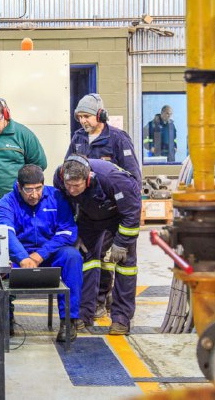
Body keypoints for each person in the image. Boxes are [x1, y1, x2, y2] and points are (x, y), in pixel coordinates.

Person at [67, 93, 141, 320]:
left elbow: (133, 179)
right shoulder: (78, 138)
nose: (83, 121)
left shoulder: (117, 139)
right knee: (92, 257)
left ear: (100, 115)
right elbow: (69, 169)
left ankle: (112, 303)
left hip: (116, 209)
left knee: (116, 257)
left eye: (87, 116)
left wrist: (130, 208)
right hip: (90, 211)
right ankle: (98, 301)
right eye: (79, 117)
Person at [53, 155, 141, 335]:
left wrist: (121, 243)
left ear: (88, 179)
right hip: (89, 217)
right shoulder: (59, 177)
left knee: (125, 266)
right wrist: (74, 233)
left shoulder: (114, 180)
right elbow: (65, 207)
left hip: (119, 216)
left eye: (76, 186)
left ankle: (121, 319)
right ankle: (83, 314)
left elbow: (132, 213)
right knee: (86, 260)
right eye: (68, 185)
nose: (71, 190)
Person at [0, 164, 82, 343]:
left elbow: (67, 231)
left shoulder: (57, 197)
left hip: (49, 254)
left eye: (38, 189)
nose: (34, 195)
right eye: (28, 190)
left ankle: (68, 321)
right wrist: (23, 257)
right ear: (19, 187)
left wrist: (40, 254)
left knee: (72, 257)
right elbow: (7, 233)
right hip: (19, 257)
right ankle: (6, 318)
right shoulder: (6, 203)